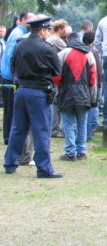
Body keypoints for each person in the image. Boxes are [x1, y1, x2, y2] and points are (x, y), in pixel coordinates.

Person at [3, 16, 62, 178]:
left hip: (22, 91)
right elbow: (57, 71)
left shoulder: (20, 45)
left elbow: (13, 65)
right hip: (39, 92)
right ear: (42, 30)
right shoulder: (46, 48)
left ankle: (10, 162)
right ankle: (44, 168)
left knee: (18, 128)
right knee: (41, 130)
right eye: (47, 30)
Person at [53, 32, 97, 161]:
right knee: (82, 123)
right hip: (84, 95)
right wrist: (93, 98)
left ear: (67, 40)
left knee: (68, 123)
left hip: (66, 93)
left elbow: (56, 76)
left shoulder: (62, 54)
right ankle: (81, 151)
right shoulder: (89, 55)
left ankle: (70, 152)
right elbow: (93, 80)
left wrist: (58, 90)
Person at [1, 10, 35, 146]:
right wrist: (13, 76)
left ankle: (10, 138)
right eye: (30, 19)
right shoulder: (18, 34)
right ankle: (9, 139)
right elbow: (10, 56)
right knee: (10, 109)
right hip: (10, 77)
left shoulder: (19, 33)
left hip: (9, 76)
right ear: (21, 20)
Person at [83, 31, 102, 141]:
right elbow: (98, 69)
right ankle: (91, 130)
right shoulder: (94, 52)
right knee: (93, 106)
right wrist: (99, 84)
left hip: (82, 84)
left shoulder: (80, 51)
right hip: (92, 83)